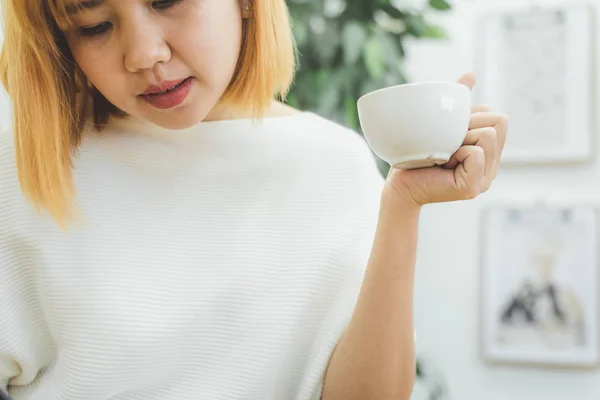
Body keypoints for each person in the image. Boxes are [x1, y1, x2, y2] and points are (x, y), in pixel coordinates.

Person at [0, 0, 508, 399]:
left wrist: (404, 203)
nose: (144, 54)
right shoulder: (26, 167)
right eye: (92, 25)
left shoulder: (333, 166)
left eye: (167, 0)